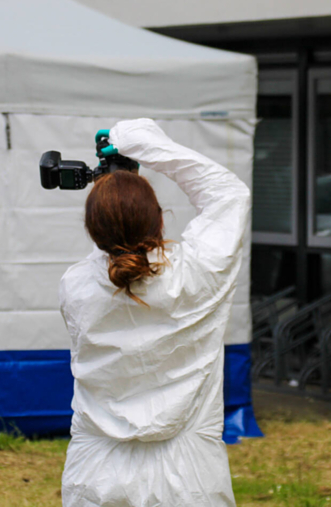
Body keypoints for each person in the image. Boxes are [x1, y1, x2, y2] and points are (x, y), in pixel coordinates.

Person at [59, 118, 251, 507]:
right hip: (191, 477)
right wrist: (143, 143)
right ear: (161, 219)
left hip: (96, 473)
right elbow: (228, 194)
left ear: (92, 230)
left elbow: (111, 258)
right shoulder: (199, 273)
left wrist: (110, 188)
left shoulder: (75, 287)